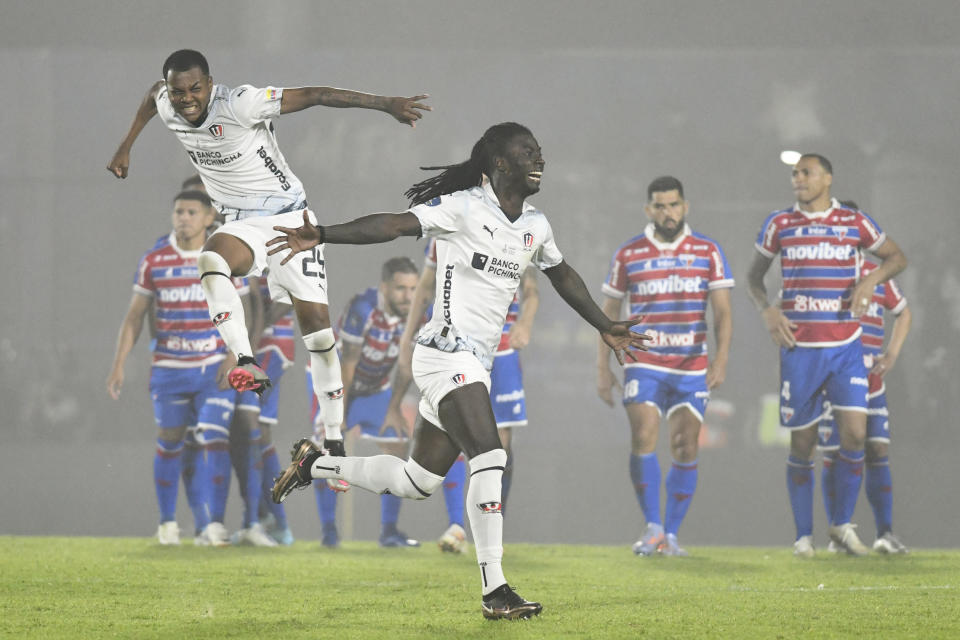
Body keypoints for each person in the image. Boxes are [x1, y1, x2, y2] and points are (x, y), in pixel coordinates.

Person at [268, 122, 651, 620]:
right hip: (445, 354)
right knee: (490, 456)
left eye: (539, 150)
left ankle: (313, 464)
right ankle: (496, 590)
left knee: (417, 481)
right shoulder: (463, 207)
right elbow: (393, 225)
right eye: (527, 151)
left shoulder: (536, 224)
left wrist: (605, 325)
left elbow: (562, 275)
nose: (540, 158)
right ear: (500, 163)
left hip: (475, 364)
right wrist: (321, 234)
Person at [107, 48, 432, 464]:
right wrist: (125, 146)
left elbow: (316, 94)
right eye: (177, 91)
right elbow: (151, 98)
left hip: (291, 224)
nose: (186, 98)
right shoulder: (166, 101)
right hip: (240, 224)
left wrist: (385, 104)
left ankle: (333, 441)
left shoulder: (241, 103)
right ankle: (245, 359)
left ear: (209, 83)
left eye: (195, 88)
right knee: (210, 259)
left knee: (319, 337)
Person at [746, 155, 907, 557]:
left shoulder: (854, 222)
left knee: (855, 434)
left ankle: (840, 526)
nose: (798, 179)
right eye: (795, 173)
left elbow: (897, 257)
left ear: (828, 178)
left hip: (846, 347)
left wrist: (870, 279)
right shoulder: (779, 223)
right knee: (803, 444)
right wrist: (767, 310)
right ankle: (804, 536)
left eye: (807, 172)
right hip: (800, 348)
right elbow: (753, 277)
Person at [597, 176, 733, 557]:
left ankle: (671, 534)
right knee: (644, 434)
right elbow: (607, 315)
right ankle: (652, 527)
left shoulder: (708, 250)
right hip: (645, 361)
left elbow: (722, 312)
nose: (667, 212)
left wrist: (720, 360)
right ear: (648, 210)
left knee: (685, 444)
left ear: (685, 207)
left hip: (692, 364)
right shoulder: (629, 253)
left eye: (673, 205)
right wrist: (603, 368)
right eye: (660, 206)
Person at [106, 190, 251, 546]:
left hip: (212, 367)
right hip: (170, 367)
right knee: (170, 442)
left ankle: (214, 524)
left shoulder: (224, 256)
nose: (183, 218)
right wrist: (119, 364)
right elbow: (134, 317)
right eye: (178, 212)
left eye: (190, 212)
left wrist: (235, 355)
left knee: (215, 439)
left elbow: (242, 311)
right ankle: (168, 523)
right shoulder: (154, 260)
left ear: (207, 218)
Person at [392, 237, 539, 551]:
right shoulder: (448, 225)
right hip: (456, 349)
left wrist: (525, 322)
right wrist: (407, 337)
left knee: (497, 446)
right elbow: (425, 287)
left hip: (501, 353)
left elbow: (531, 288)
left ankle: (491, 525)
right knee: (459, 434)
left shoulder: (519, 228)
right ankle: (458, 525)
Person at [308, 257, 430, 548]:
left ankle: (389, 531)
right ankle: (329, 531)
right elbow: (347, 365)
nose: (408, 296)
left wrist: (393, 409)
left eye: (414, 289)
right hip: (333, 384)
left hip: (376, 386)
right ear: (385, 287)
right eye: (401, 289)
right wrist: (338, 416)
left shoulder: (417, 314)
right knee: (326, 450)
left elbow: (405, 365)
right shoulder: (363, 308)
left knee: (398, 443)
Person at [818, 217, 912, 554]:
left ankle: (885, 533)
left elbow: (903, 312)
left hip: (872, 378)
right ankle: (837, 535)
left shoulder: (878, 276)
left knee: (877, 450)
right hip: (837, 378)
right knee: (835, 452)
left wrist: (892, 354)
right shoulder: (823, 278)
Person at [229, 274, 297, 546]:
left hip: (268, 346)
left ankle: (257, 522)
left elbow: (292, 292)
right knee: (254, 433)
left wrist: (251, 331)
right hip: (264, 346)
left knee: (250, 427)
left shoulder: (277, 244)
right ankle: (275, 522)